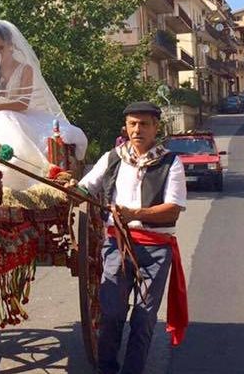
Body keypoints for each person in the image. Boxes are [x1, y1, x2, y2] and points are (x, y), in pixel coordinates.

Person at [73, 101, 188, 374]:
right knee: (111, 313)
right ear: (125, 127)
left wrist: (133, 213)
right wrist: (71, 189)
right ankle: (107, 367)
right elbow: (86, 188)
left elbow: (173, 209)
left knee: (143, 319)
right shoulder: (113, 158)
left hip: (156, 249)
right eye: (133, 124)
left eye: (144, 124)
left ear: (155, 127)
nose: (138, 129)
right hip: (117, 245)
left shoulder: (171, 163)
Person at [0, 20, 88, 190]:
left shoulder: (25, 69)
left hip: (17, 116)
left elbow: (23, 103)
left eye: (0, 48)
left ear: (10, 45)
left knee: (16, 142)